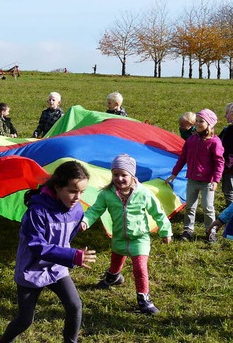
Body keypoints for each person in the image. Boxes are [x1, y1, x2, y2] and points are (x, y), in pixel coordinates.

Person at [0, 161, 96, 343]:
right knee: (25, 320)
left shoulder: (77, 210)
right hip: (31, 270)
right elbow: (37, 246)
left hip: (57, 269)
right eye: (72, 191)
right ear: (58, 187)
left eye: (82, 192)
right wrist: (71, 256)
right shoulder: (37, 212)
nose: (77, 197)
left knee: (75, 306)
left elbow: (69, 236)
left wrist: (68, 254)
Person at [83, 154, 172, 315]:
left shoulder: (143, 193)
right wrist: (85, 221)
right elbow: (95, 210)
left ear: (132, 175)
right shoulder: (107, 194)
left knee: (140, 269)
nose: (119, 178)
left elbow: (158, 213)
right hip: (119, 236)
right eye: (115, 174)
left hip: (140, 238)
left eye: (124, 175)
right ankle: (113, 277)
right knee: (116, 259)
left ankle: (144, 299)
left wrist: (165, 231)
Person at [166, 109, 224, 243]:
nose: (197, 124)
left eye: (201, 121)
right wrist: (174, 173)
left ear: (210, 124)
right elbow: (183, 157)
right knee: (190, 206)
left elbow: (219, 162)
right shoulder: (191, 139)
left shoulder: (214, 142)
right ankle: (188, 230)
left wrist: (216, 180)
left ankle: (210, 231)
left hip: (207, 182)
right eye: (196, 121)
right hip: (192, 179)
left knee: (208, 207)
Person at [219, 103, 233, 207]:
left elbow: (218, 143)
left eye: (227, 113)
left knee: (229, 192)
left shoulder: (228, 131)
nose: (225, 116)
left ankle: (230, 216)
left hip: (229, 167)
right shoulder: (227, 130)